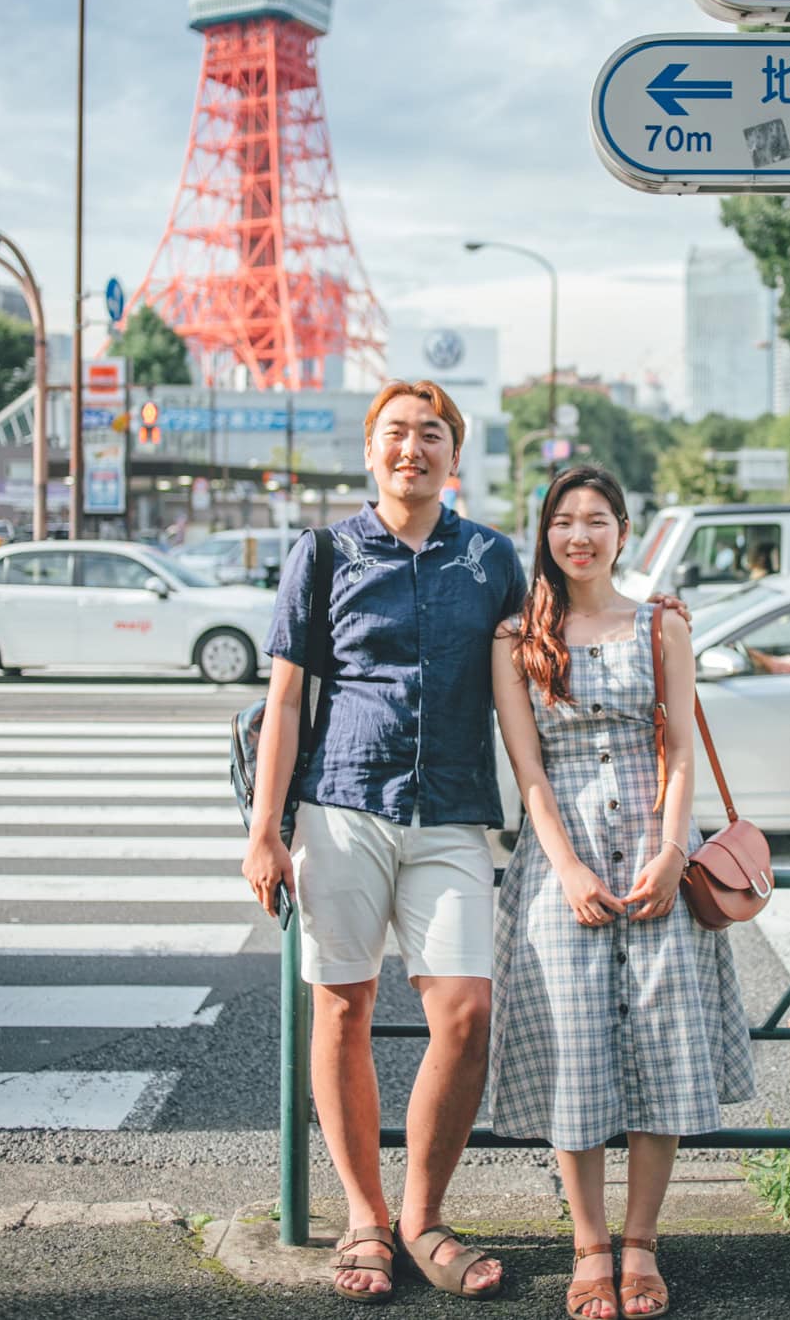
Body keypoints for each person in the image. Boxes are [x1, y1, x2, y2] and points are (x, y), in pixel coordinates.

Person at [242, 379, 526, 1302]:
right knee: (341, 1009)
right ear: (371, 452)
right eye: (396, 434)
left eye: (431, 434)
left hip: (452, 812)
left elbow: (540, 666)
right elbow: (285, 702)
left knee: (467, 1012)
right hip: (342, 804)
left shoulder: (489, 558)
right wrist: (264, 832)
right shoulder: (323, 553)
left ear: (455, 454)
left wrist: (652, 622)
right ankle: (364, 1219)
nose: (413, 448)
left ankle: (422, 1214)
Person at [489, 466, 754, 1320]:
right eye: (564, 521)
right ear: (546, 535)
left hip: (653, 847)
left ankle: (641, 1242)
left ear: (623, 530)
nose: (580, 535)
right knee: (574, 1047)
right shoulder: (517, 637)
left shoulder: (660, 625)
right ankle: (590, 1245)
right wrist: (564, 867)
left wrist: (676, 852)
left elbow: (677, 749)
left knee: (661, 1041)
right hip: (559, 853)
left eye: (596, 520)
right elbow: (528, 769)